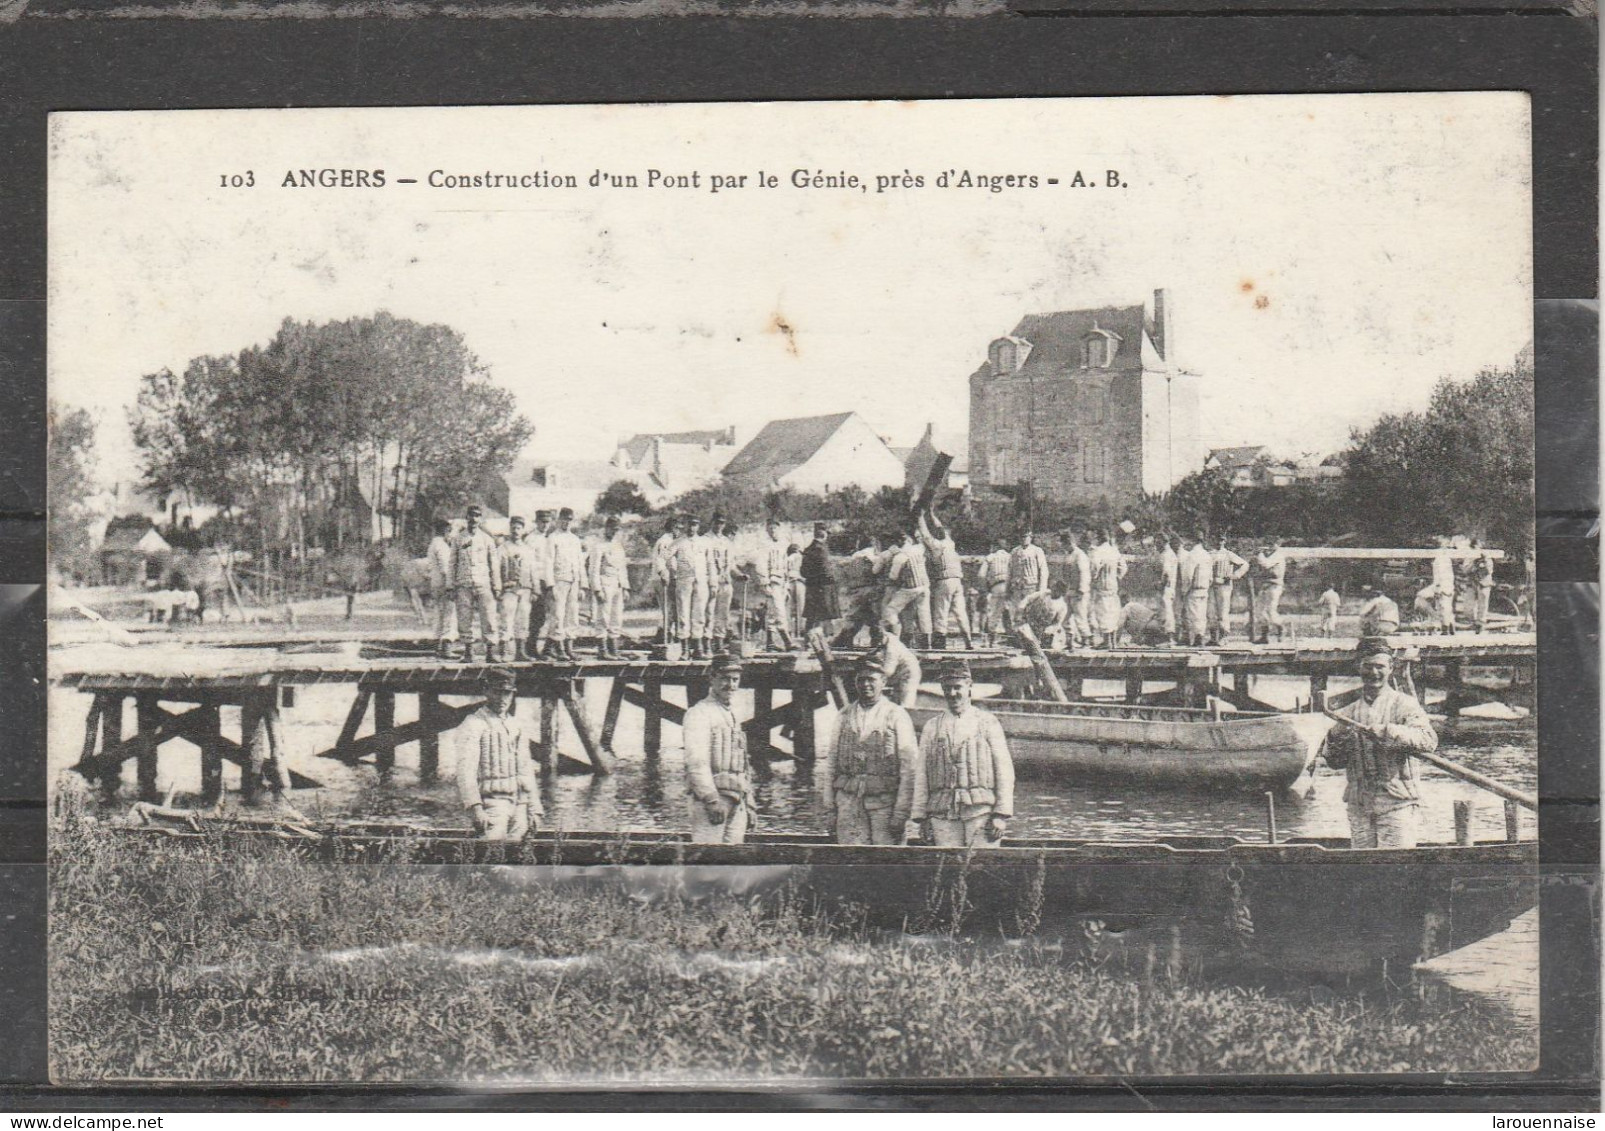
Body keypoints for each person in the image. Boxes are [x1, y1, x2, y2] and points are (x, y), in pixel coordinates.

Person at [1319, 639, 1438, 849]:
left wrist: (1388, 732)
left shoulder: (1405, 705)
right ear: (1359, 667)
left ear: (1390, 668)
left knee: (1397, 868)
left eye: (1380, 666)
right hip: (1359, 806)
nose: (1373, 673)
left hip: (1396, 804)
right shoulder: (1348, 713)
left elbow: (1428, 740)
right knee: (1363, 871)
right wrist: (1335, 737)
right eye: (1368, 666)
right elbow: (1334, 761)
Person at [910, 659, 1015, 848]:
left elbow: (1004, 771)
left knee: (981, 868)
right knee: (946, 870)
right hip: (942, 814)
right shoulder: (932, 727)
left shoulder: (987, 723)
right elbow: (921, 776)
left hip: (981, 813)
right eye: (947, 688)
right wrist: (921, 817)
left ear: (969, 687)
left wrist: (1000, 814)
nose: (952, 693)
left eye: (957, 687)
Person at [821, 655, 918, 845]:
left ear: (883, 681)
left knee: (887, 862)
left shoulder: (897, 715)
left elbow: (909, 768)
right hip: (849, 804)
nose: (865, 684)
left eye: (871, 679)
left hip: (884, 805)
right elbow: (831, 764)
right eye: (861, 679)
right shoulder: (844, 716)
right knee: (851, 862)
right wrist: (830, 809)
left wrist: (901, 813)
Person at [456, 668, 542, 841]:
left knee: (519, 855)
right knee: (491, 851)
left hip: (520, 804)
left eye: (507, 693)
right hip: (493, 804)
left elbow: (526, 771)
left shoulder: (516, 725)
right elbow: (465, 772)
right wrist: (475, 808)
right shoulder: (474, 724)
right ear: (486, 691)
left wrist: (535, 808)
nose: (502, 699)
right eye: (497, 692)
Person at [683, 653, 754, 844]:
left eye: (735, 680)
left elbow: (743, 763)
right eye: (724, 679)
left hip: (737, 800)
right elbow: (696, 762)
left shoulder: (733, 713)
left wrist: (750, 804)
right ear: (711, 678)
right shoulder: (699, 713)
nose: (730, 685)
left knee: (733, 862)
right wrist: (711, 800)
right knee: (707, 859)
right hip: (711, 801)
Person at [918, 507, 973, 650]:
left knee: (940, 612)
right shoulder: (950, 543)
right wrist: (931, 513)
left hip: (945, 580)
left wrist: (920, 517)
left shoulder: (937, 545)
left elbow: (925, 535)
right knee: (960, 613)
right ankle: (968, 641)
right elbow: (939, 526)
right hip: (957, 581)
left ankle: (940, 644)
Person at [453, 504, 502, 663]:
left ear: (480, 519)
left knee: (488, 617)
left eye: (477, 516)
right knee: (464, 617)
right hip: (464, 582)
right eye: (471, 515)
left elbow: (494, 564)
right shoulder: (459, 539)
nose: (473, 519)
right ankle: (468, 652)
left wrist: (497, 585)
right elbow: (452, 562)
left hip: (483, 583)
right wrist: (450, 585)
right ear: (466, 517)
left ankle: (490, 652)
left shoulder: (487, 540)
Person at [542, 507, 585, 660]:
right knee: (558, 615)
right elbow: (548, 562)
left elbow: (580, 563)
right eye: (564, 519)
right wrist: (550, 585)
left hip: (574, 580)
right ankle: (559, 649)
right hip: (559, 580)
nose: (566, 522)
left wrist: (582, 585)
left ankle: (568, 648)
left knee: (572, 615)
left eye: (569, 519)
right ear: (559, 520)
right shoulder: (553, 538)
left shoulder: (574, 539)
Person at [881, 529, 933, 648]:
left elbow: (893, 577)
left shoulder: (899, 557)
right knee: (924, 613)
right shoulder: (918, 549)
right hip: (924, 586)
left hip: (910, 588)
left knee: (890, 610)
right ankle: (926, 642)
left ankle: (894, 636)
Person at [669, 514, 711, 659]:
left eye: (694, 525)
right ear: (685, 525)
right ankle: (685, 649)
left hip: (701, 580)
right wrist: (673, 571)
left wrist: (712, 581)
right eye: (689, 524)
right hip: (684, 580)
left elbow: (710, 562)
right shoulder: (678, 542)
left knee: (699, 614)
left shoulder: (705, 542)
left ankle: (698, 649)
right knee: (683, 614)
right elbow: (665, 558)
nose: (691, 527)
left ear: (698, 526)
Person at [496, 516, 538, 661]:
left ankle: (521, 652)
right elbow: (496, 570)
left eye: (518, 528)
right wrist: (498, 588)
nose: (516, 531)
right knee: (506, 619)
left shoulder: (528, 550)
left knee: (523, 620)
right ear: (510, 529)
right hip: (509, 589)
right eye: (513, 528)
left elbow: (534, 571)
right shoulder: (502, 548)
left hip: (525, 589)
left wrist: (536, 589)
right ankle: (505, 653)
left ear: (523, 530)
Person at [589, 515, 631, 658]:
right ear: (606, 528)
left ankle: (614, 650)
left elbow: (622, 568)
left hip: (617, 585)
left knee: (616, 617)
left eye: (616, 530)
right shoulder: (598, 546)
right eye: (611, 529)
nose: (613, 532)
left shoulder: (618, 546)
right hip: (605, 583)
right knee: (603, 617)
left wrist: (625, 588)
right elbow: (593, 569)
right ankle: (602, 651)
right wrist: (597, 589)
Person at [758, 517, 797, 650]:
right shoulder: (764, 544)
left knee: (773, 612)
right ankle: (787, 641)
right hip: (772, 581)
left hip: (782, 581)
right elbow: (761, 565)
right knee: (778, 611)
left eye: (775, 527)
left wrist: (787, 584)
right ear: (766, 529)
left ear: (779, 529)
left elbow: (785, 564)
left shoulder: (783, 544)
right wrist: (764, 583)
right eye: (770, 528)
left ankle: (770, 643)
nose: (773, 530)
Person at [800, 521, 841, 638]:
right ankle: (824, 642)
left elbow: (803, 572)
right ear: (824, 534)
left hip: (811, 587)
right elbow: (826, 570)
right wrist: (833, 579)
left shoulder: (808, 549)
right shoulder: (821, 549)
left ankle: (809, 640)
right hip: (823, 586)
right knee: (824, 616)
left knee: (812, 616)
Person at [1087, 528, 1127, 649]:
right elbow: (1123, 567)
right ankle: (1113, 642)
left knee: (1102, 611)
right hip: (1113, 584)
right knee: (1113, 611)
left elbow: (1094, 568)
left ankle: (1106, 641)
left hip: (1102, 584)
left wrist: (1094, 577)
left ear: (1098, 538)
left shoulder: (1097, 551)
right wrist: (1118, 576)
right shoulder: (1114, 551)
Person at [702, 517, 736, 654]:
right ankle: (706, 643)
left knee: (723, 613)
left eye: (722, 523)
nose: (719, 525)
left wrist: (739, 575)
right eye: (717, 522)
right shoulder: (704, 539)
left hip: (725, 580)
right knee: (709, 612)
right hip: (710, 581)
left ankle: (719, 642)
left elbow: (732, 564)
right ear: (711, 523)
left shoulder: (727, 541)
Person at [1207, 535, 1249, 645]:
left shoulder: (1228, 554)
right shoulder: (1209, 554)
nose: (1219, 542)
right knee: (1211, 612)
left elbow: (1245, 564)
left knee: (1223, 611)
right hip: (1211, 585)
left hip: (1224, 586)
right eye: (1216, 539)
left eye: (1221, 540)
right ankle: (1213, 638)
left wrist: (1233, 575)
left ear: (1224, 541)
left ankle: (1224, 637)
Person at [426, 518, 459, 659]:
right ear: (446, 531)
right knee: (449, 615)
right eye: (450, 531)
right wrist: (452, 585)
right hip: (445, 584)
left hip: (436, 583)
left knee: (439, 614)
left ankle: (437, 646)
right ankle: (446, 647)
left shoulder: (433, 544)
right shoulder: (442, 546)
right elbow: (446, 569)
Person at [869, 624, 923, 709]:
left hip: (910, 673)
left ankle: (908, 717)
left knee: (906, 703)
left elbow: (888, 671)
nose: (878, 643)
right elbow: (879, 647)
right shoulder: (888, 636)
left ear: (883, 635)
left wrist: (873, 666)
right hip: (900, 672)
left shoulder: (892, 649)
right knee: (895, 704)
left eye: (879, 640)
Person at [525, 510, 555, 660]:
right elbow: (529, 563)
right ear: (536, 522)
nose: (545, 525)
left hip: (548, 581)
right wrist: (534, 585)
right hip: (535, 581)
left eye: (547, 522)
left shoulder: (549, 538)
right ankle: (530, 648)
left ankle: (549, 649)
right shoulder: (531, 539)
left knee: (549, 615)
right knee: (537, 616)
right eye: (542, 521)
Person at [1007, 530, 1050, 629]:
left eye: (1026, 536)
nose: (1024, 539)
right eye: (1022, 536)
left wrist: (1042, 589)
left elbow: (1043, 570)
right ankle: (1019, 635)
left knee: (1031, 612)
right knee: (1017, 611)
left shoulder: (1037, 551)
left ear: (1031, 537)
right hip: (1017, 586)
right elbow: (1010, 570)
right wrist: (1007, 588)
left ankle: (1033, 636)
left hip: (1031, 586)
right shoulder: (1014, 551)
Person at [1252, 537, 1289, 644]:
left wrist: (1259, 554)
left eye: (1272, 544)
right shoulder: (1269, 555)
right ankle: (1265, 636)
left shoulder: (1278, 555)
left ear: (1278, 544)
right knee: (1259, 611)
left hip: (1274, 586)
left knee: (1271, 611)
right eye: (1268, 543)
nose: (1269, 546)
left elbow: (1266, 564)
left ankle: (1281, 629)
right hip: (1265, 586)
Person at [651, 515, 681, 644]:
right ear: (673, 528)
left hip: (666, 578)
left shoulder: (669, 541)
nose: (679, 532)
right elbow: (663, 561)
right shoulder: (666, 541)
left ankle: (664, 633)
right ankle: (664, 636)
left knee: (671, 609)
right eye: (678, 529)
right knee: (668, 608)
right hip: (663, 579)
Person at [1180, 532, 1213, 647]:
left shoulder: (1192, 555)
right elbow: (1210, 575)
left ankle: (1197, 638)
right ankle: (1200, 636)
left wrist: (1184, 590)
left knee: (1193, 614)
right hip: (1204, 588)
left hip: (1194, 588)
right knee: (1201, 614)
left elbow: (1188, 575)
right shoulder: (1207, 555)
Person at [978, 538, 1012, 645]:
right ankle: (1011, 637)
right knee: (1008, 612)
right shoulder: (1011, 557)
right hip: (1009, 586)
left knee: (992, 613)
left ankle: (989, 639)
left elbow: (981, 575)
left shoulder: (990, 557)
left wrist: (985, 589)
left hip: (995, 586)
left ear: (994, 547)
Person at [1062, 529, 1091, 649]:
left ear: (1069, 542)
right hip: (1069, 590)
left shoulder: (1080, 555)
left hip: (1079, 591)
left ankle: (1086, 640)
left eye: (1064, 543)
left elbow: (1084, 573)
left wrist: (1082, 590)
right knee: (1065, 617)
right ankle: (1069, 641)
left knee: (1080, 617)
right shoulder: (1068, 555)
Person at [1016, 584, 1069, 650]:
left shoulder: (1062, 606)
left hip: (1044, 627)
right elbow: (1028, 599)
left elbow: (1057, 623)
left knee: (1040, 644)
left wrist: (1048, 630)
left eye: (1056, 591)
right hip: (1031, 620)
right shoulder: (1044, 593)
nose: (1053, 592)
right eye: (1053, 590)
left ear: (1061, 593)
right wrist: (1021, 609)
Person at [1429, 537, 1459, 635]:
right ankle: (1450, 626)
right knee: (1447, 607)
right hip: (1448, 585)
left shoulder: (1440, 559)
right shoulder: (1446, 559)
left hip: (1443, 586)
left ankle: (1445, 628)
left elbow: (1440, 575)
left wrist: (1438, 588)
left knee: (1443, 607)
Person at [1466, 537, 1496, 632]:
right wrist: (1473, 563)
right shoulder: (1469, 556)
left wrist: (1483, 561)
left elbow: (1489, 570)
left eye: (1477, 547)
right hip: (1472, 582)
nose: (1476, 549)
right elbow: (1465, 569)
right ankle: (1473, 621)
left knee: (1483, 605)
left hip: (1484, 582)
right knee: (1468, 606)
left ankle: (1480, 624)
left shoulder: (1486, 556)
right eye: (1474, 547)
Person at [1158, 533, 1181, 646]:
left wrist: (1160, 584)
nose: (1156, 545)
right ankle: (1168, 638)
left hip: (1166, 587)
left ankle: (1169, 638)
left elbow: (1166, 573)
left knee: (1166, 612)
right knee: (1167, 611)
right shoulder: (1171, 553)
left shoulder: (1166, 554)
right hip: (1170, 587)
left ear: (1162, 541)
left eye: (1157, 542)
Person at [786, 543, 806, 638]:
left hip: (789, 582)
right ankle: (801, 632)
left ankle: (790, 632)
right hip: (800, 582)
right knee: (801, 608)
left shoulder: (787, 559)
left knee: (789, 608)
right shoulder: (801, 557)